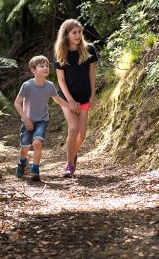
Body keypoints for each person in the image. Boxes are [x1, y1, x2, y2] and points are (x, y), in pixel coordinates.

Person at [14, 55, 70, 181]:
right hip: (27, 121)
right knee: (24, 149)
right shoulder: (27, 85)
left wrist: (70, 106)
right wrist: (26, 119)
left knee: (37, 143)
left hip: (41, 121)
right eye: (42, 66)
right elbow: (17, 103)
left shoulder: (49, 86)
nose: (45, 68)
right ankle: (22, 163)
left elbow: (57, 100)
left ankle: (35, 170)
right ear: (33, 70)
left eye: (47, 66)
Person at [54, 19, 98, 178]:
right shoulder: (61, 53)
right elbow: (61, 80)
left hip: (84, 96)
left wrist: (93, 95)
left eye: (79, 32)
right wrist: (70, 101)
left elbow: (92, 74)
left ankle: (73, 153)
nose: (78, 35)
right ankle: (69, 164)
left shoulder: (89, 50)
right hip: (66, 98)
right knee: (73, 129)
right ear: (66, 35)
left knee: (82, 133)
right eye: (74, 32)